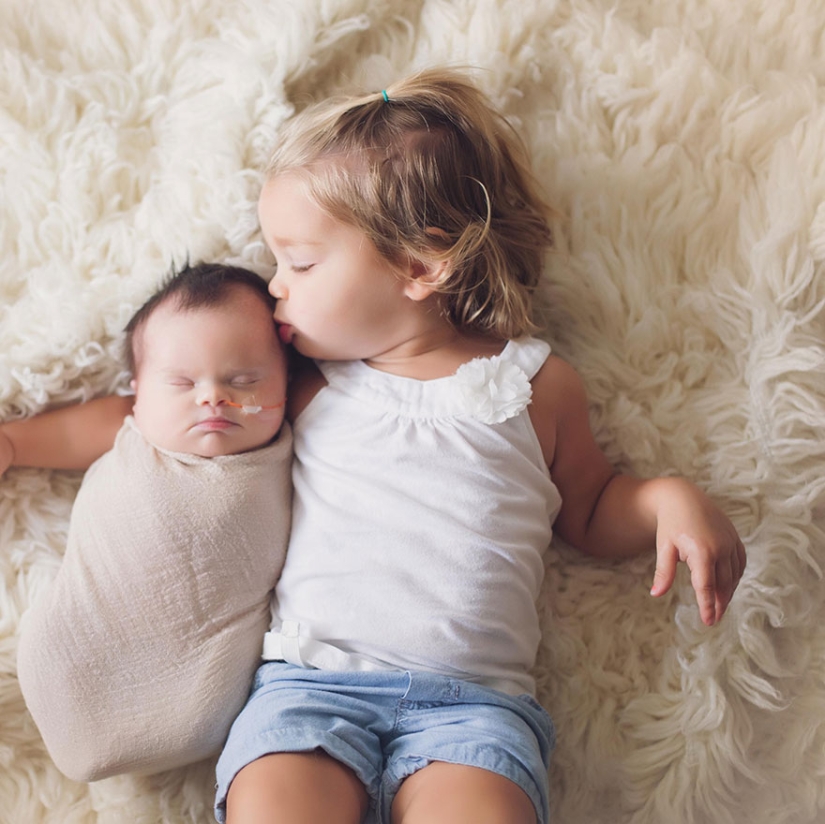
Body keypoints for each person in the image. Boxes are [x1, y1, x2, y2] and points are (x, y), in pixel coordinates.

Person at [2, 69, 746, 822]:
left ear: (420, 266)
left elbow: (587, 506)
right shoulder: (307, 380)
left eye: (299, 262)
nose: (274, 286)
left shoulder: (533, 385)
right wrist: (19, 440)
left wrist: (665, 502)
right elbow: (145, 416)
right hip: (307, 687)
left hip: (473, 707)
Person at [10, 263, 293, 781]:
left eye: (245, 380)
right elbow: (75, 437)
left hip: (198, 686)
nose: (212, 396)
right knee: (54, 644)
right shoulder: (135, 429)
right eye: (182, 382)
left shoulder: (289, 446)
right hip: (83, 634)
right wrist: (14, 443)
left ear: (286, 384)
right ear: (138, 393)